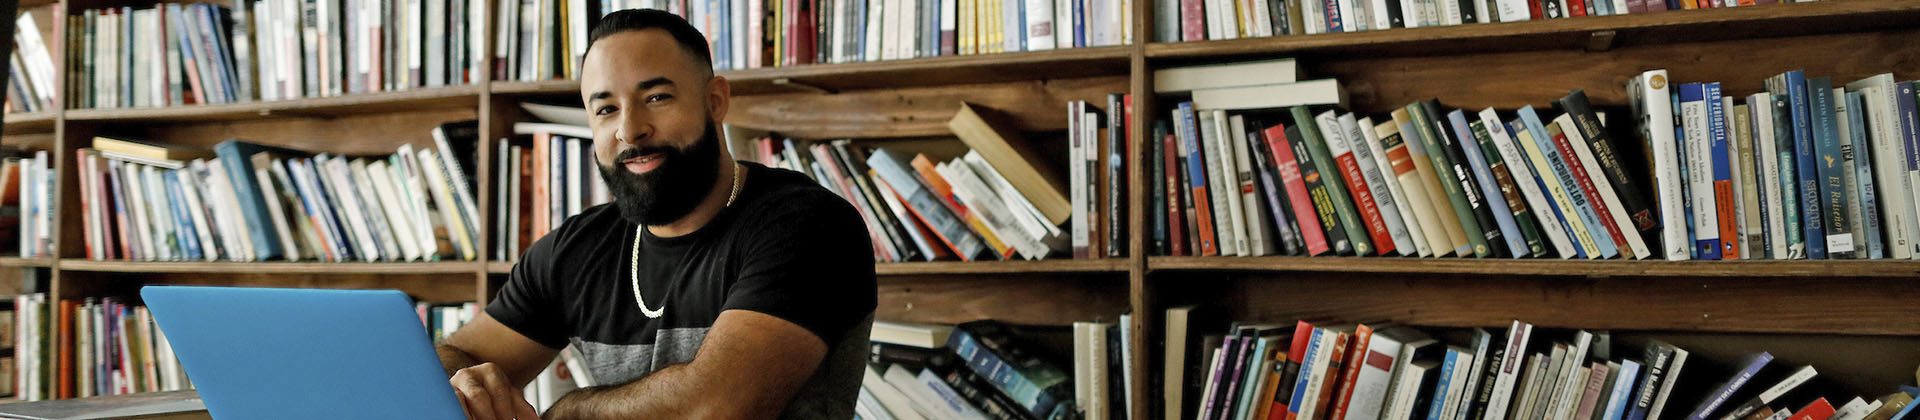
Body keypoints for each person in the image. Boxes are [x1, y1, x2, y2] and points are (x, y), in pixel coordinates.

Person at [434, 9, 877, 420]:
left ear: (715, 100)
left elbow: (717, 405)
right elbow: (457, 357)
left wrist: (571, 412)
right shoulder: (575, 248)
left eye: (657, 97)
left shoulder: (808, 224)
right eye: (606, 109)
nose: (629, 129)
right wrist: (463, 382)